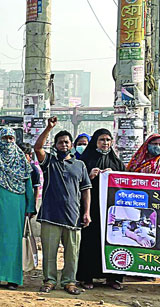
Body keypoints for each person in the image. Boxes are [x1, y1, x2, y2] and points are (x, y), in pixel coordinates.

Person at [0, 107, 35, 290]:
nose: (8, 141)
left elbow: (28, 184)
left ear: (15, 139)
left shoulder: (22, 161)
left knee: (13, 242)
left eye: (11, 138)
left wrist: (30, 206)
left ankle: (12, 279)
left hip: (16, 205)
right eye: (5, 138)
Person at [34, 118, 92, 295]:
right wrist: (49, 128)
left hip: (73, 216)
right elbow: (37, 148)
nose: (64, 145)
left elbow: (86, 190)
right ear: (55, 145)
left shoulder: (80, 165)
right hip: (50, 215)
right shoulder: (49, 162)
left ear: (72, 145)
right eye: (60, 142)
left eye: (67, 142)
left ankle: (69, 282)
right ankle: (49, 281)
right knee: (49, 253)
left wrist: (87, 212)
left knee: (72, 254)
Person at [76, 128, 126, 290]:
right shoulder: (85, 161)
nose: (105, 143)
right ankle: (87, 276)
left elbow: (125, 185)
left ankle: (113, 277)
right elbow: (76, 184)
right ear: (95, 142)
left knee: (113, 240)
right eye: (102, 140)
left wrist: (115, 176)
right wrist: (89, 176)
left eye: (108, 140)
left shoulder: (117, 163)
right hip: (91, 210)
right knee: (90, 242)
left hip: (111, 211)